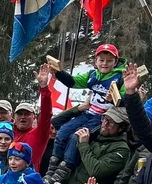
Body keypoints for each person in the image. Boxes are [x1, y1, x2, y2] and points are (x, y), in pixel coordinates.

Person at [49, 44, 125, 175]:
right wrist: (59, 73)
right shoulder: (92, 75)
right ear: (96, 61)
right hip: (89, 112)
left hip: (102, 118)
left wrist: (114, 99)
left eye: (109, 61)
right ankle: (53, 163)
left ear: (115, 62)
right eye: (101, 60)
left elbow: (124, 100)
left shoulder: (119, 78)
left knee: (77, 136)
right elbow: (73, 82)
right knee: (63, 131)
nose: (105, 64)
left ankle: (65, 167)